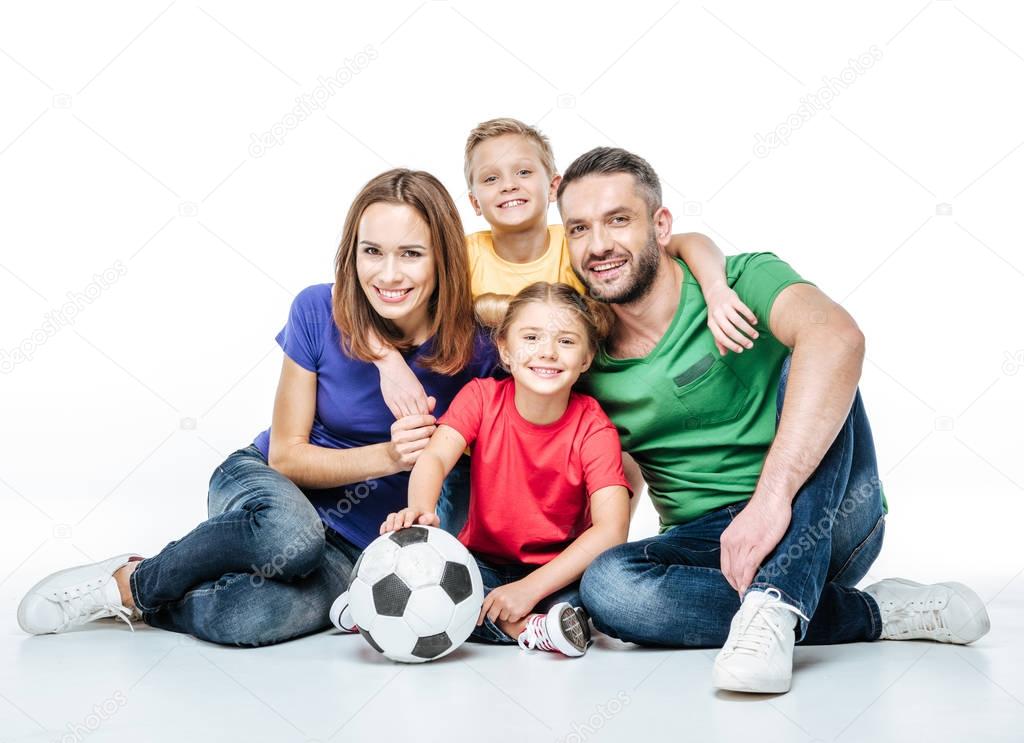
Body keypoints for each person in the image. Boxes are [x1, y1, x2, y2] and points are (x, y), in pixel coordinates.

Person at [556, 147, 991, 693]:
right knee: (612, 588)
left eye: (618, 220)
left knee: (813, 355)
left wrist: (770, 501)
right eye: (579, 228)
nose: (599, 246)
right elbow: (616, 480)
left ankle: (777, 600)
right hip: (710, 545)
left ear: (660, 225)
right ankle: (870, 614)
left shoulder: (741, 280)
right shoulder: (581, 353)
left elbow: (840, 338)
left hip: (825, 514)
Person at [17, 169, 499, 646]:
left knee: (246, 616)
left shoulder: (479, 352)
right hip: (266, 490)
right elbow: (286, 456)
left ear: (444, 259)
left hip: (356, 545)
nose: (388, 274)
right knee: (290, 535)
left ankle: (182, 592)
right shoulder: (316, 310)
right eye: (371, 252)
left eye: (411, 255)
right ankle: (130, 584)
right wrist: (390, 447)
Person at [379, 282, 631, 657]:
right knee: (430, 576)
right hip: (482, 565)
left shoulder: (594, 427)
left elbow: (611, 529)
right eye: (531, 337)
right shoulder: (482, 397)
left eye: (566, 341)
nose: (547, 352)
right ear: (505, 350)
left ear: (586, 358)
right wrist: (421, 510)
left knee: (595, 593)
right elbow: (434, 457)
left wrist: (530, 589)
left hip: (556, 573)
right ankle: (528, 629)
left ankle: (517, 619)